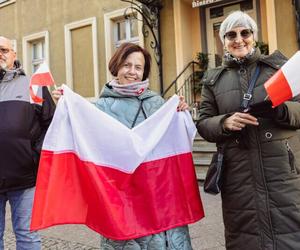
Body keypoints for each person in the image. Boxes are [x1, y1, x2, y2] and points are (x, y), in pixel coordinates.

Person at [53, 42, 195, 249]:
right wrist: (67, 108)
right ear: (116, 67)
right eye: (127, 65)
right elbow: (84, 141)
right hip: (124, 198)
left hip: (161, 194)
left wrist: (180, 112)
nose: (132, 72)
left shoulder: (158, 103)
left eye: (138, 67)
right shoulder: (100, 108)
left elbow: (172, 142)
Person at [197, 11, 300, 250]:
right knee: (245, 235)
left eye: (245, 32)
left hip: (282, 170)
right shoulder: (213, 80)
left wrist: (280, 110)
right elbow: (203, 123)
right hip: (238, 173)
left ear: (254, 36)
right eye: (231, 34)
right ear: (223, 40)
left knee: (290, 233)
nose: (239, 39)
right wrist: (224, 123)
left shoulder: (278, 68)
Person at [0, 36, 55, 250]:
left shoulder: (34, 85)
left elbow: (51, 123)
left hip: (25, 177)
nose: (0, 54)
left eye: (4, 49)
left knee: (27, 236)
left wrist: (35, 155)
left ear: (14, 54)